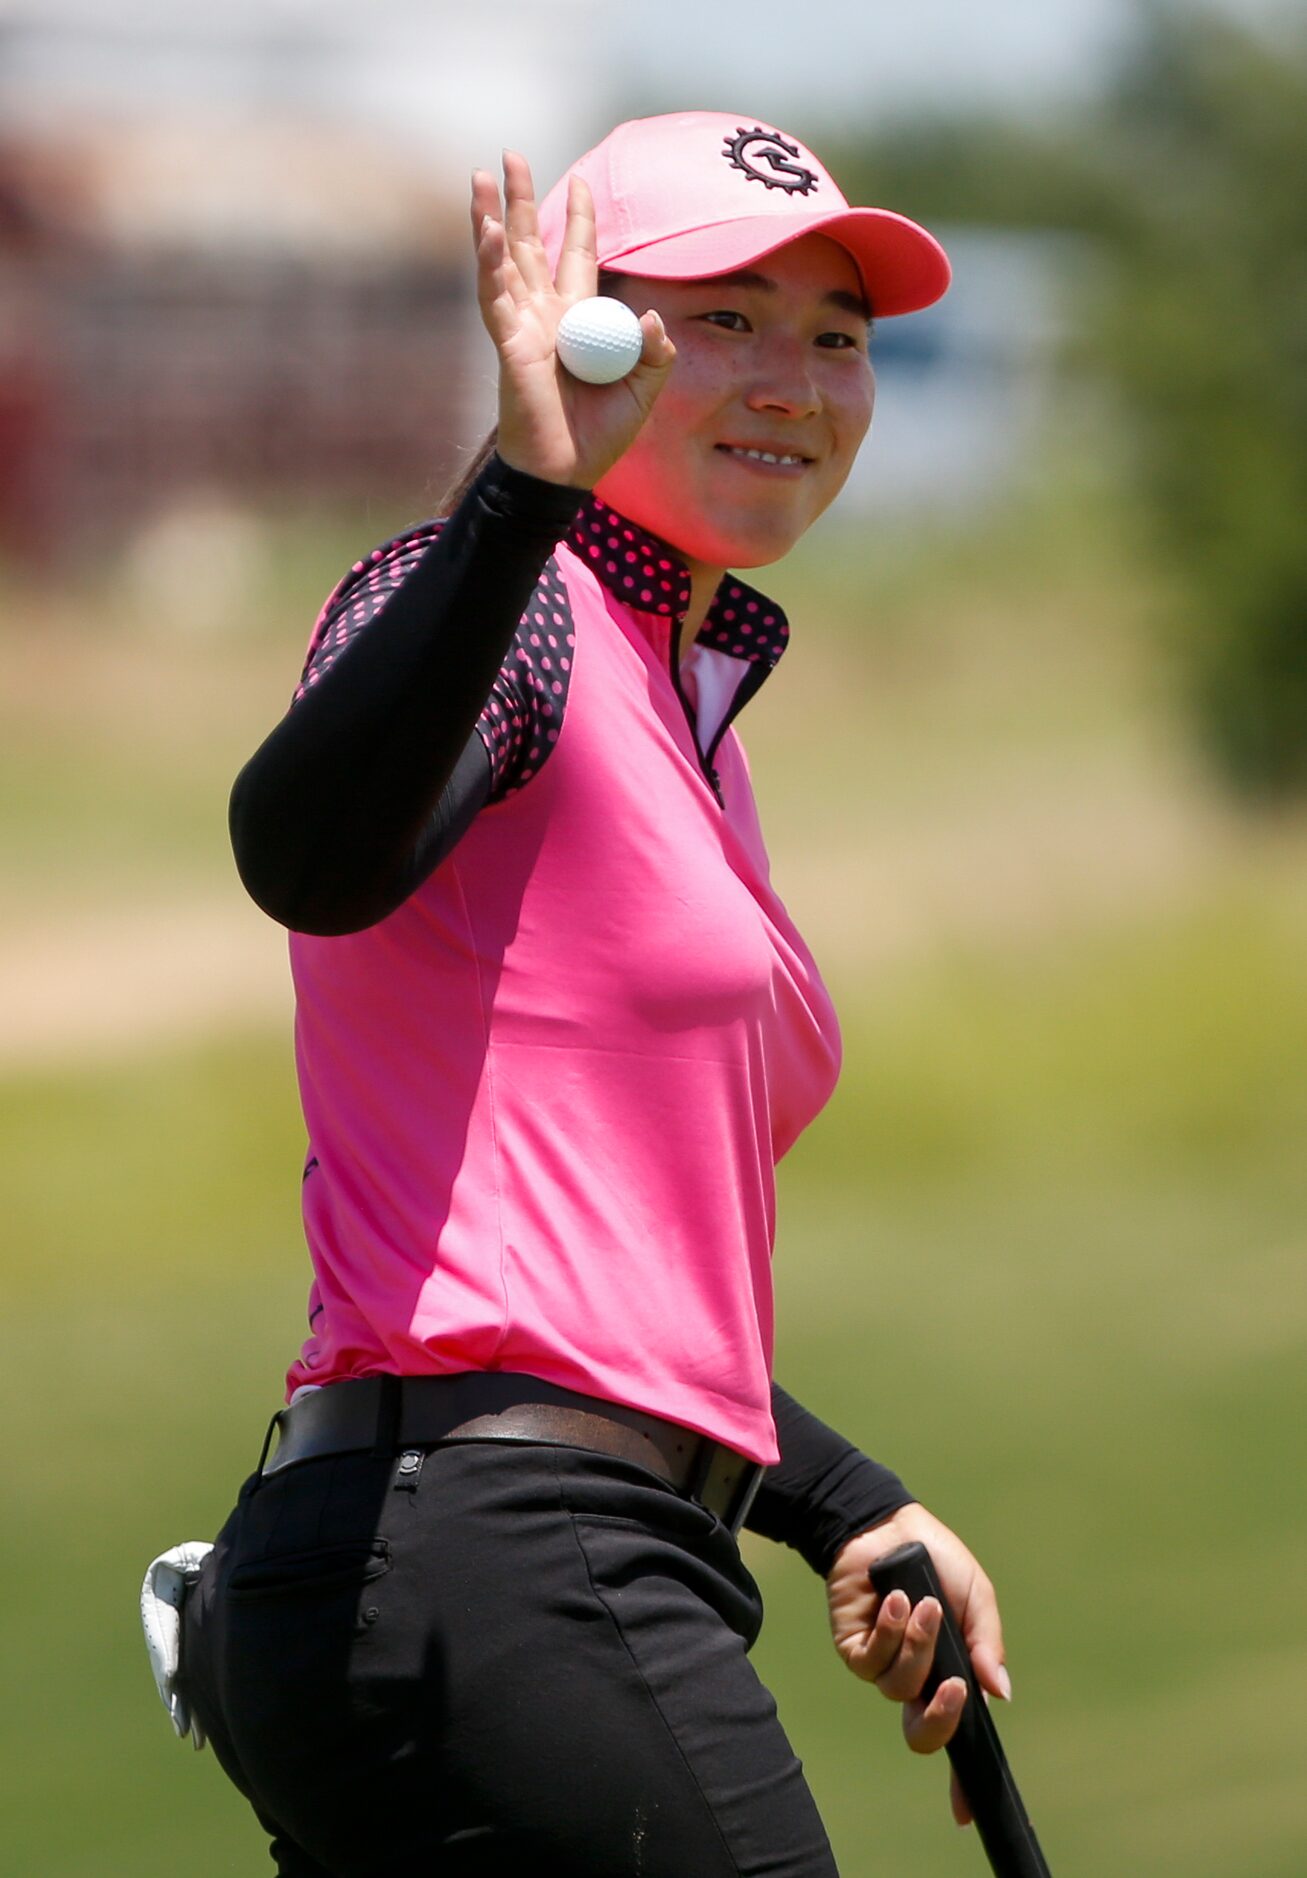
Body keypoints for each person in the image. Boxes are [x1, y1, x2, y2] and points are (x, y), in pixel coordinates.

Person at [181, 111, 1011, 1877]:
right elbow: (310, 856)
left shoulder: (676, 699)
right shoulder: (499, 603)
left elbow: (592, 1275)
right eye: (725, 317)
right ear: (587, 334)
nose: (795, 379)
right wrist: (520, 492)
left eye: (839, 335)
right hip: (514, 1567)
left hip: (448, 1559)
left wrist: (844, 1499)